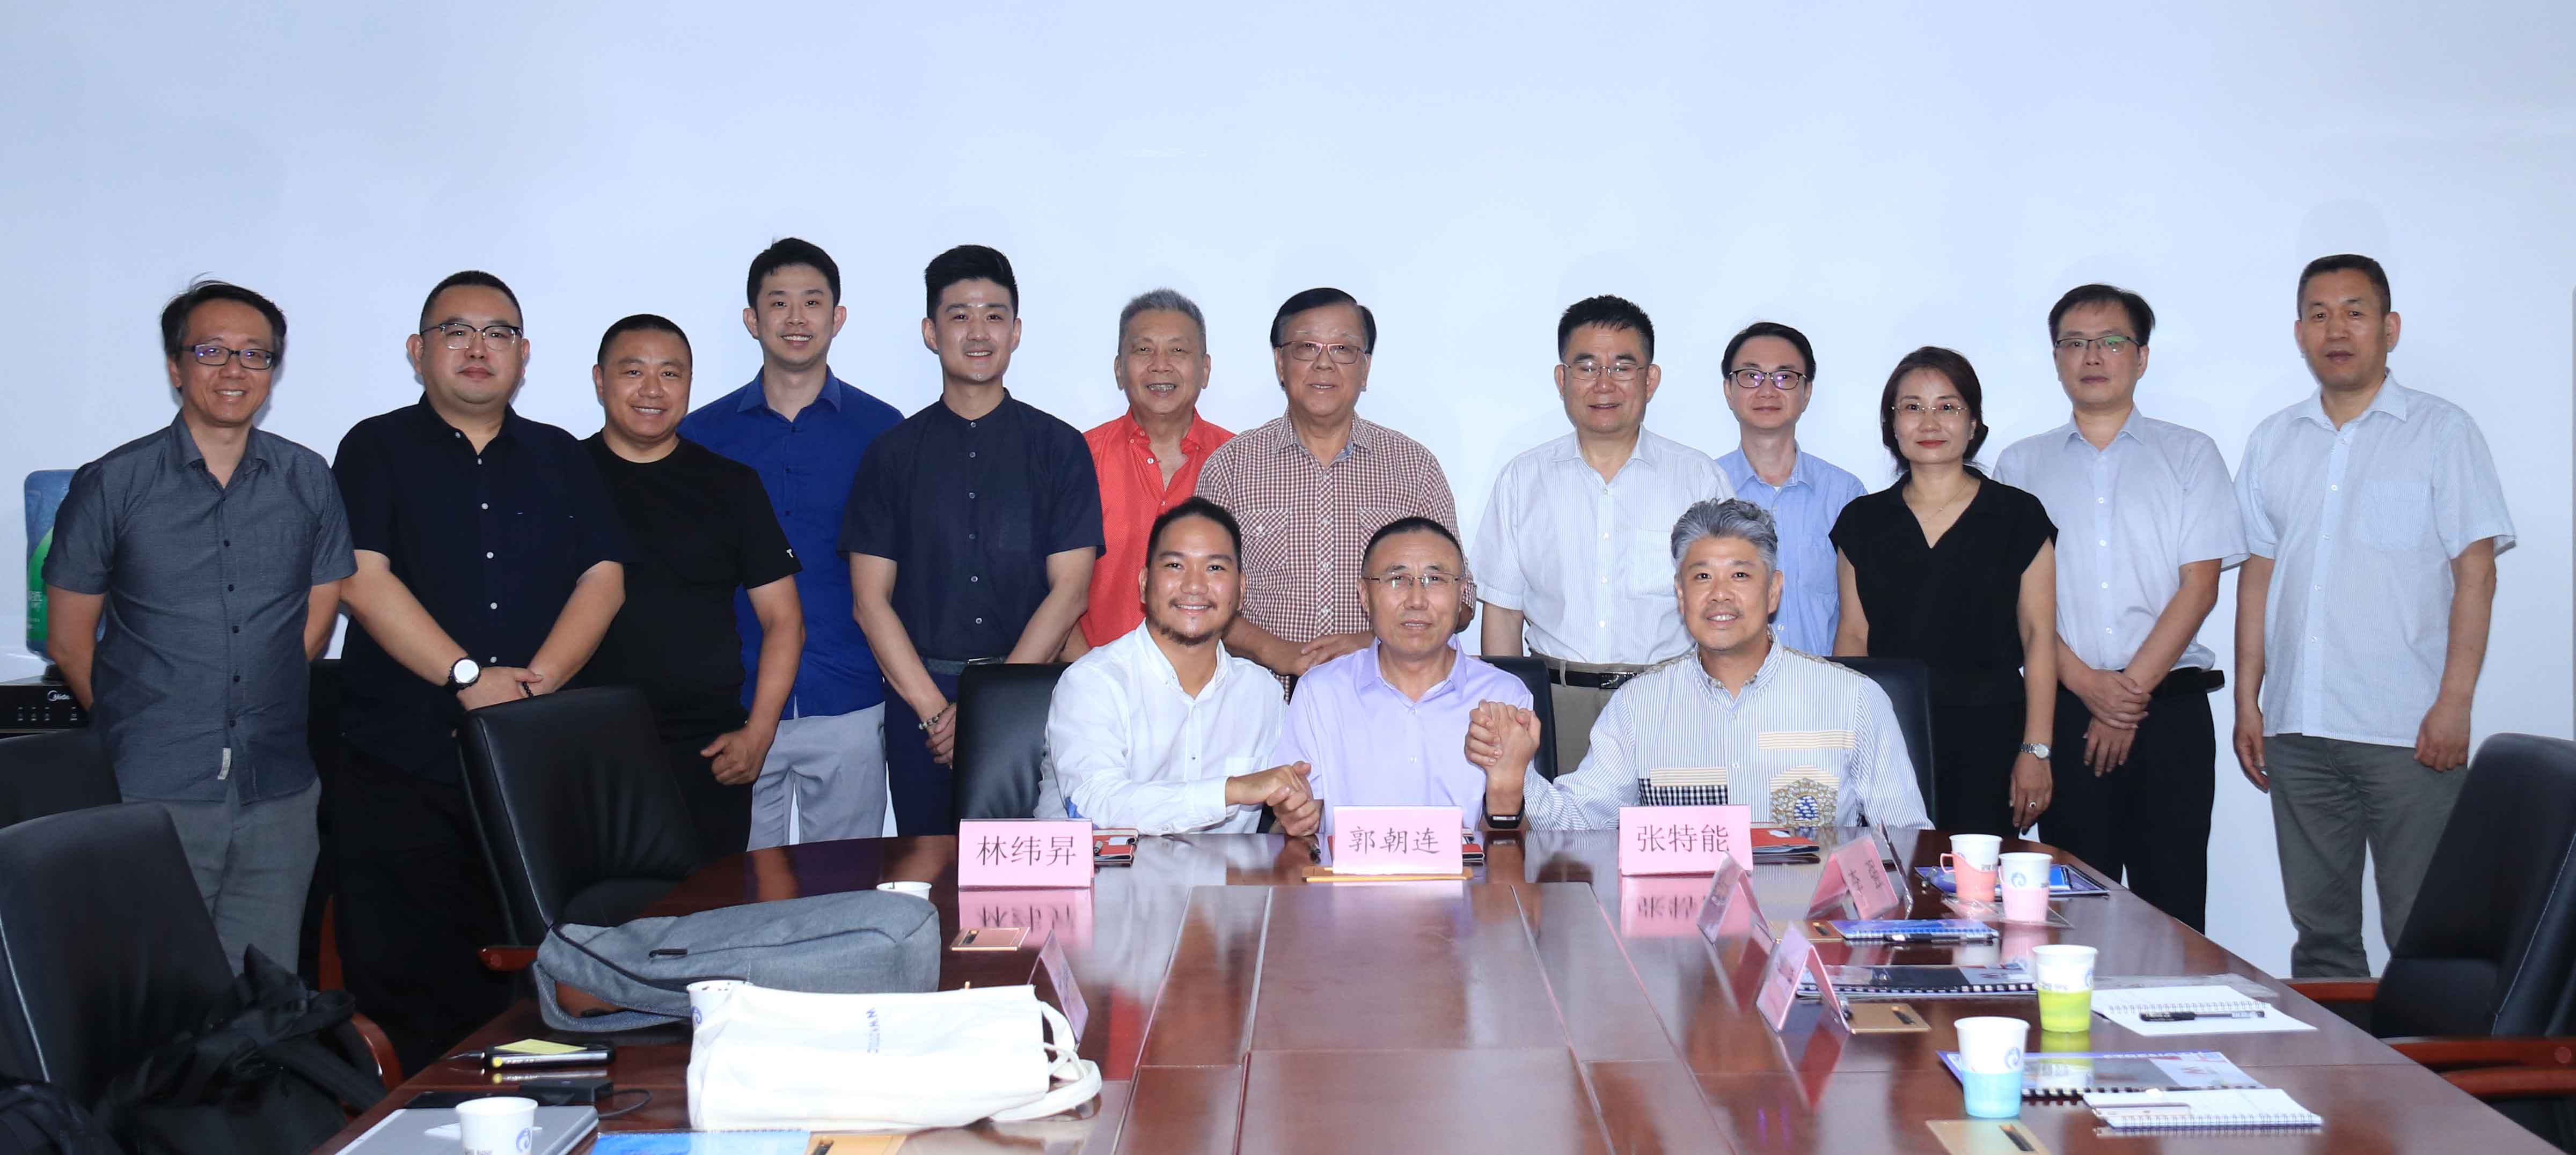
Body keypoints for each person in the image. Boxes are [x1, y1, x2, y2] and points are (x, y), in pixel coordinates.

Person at [332, 270, 629, 1071]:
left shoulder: (561, 455)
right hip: (404, 761)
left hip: (528, 771)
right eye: (455, 331)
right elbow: (361, 577)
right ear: (417, 350)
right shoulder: (375, 447)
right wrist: (467, 676)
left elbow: (604, 577)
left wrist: (540, 684)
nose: (477, 347)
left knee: (536, 983)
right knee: (408, 982)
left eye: (498, 333)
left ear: (523, 355)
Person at [42, 280, 353, 973]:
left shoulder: (308, 478)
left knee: (264, 998)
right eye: (212, 351)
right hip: (150, 792)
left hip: (278, 789)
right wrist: (145, 725)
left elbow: (317, 617)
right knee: (155, 996)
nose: (234, 369)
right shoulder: (113, 482)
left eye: (255, 354)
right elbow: (68, 638)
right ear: (176, 366)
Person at [2234, 254, 2512, 977]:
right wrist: (2248, 700)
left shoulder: (2442, 432)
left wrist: (2455, 703)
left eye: (2355, 312)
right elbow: (2259, 575)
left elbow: (2476, 573)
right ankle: (2340, 1058)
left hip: (2408, 732)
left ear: (2389, 328)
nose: (2337, 329)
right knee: (2321, 935)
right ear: (2300, 332)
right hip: (2298, 729)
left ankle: (2439, 1057)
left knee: (2425, 931)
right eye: (2320, 314)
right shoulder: (2273, 440)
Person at [1994, 285, 2244, 932]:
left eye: (2111, 341)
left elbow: (2200, 587)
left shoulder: (2191, 454)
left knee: (2175, 909)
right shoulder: (2020, 465)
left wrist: (2127, 695)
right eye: (2074, 343)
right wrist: (2090, 687)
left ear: (2142, 356)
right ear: (2056, 358)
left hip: (2171, 710)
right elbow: (2016, 604)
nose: (2092, 356)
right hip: (2065, 710)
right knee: (2072, 914)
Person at [1467, 499, 1929, 832]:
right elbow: (1580, 822)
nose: (1720, 594)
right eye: (1702, 576)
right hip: (1680, 933)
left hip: (1808, 927)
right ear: (1681, 594)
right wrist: (1515, 775)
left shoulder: (1853, 700)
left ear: (1773, 591)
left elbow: (1906, 841)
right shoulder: (1639, 705)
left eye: (1740, 575)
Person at [845, 245, 1102, 835]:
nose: (978, 331)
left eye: (994, 315)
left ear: (1016, 331)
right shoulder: (891, 454)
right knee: (927, 869)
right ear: (931, 332)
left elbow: (1070, 592)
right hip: (920, 703)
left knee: (1030, 870)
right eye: (959, 315)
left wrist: (990, 710)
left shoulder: (1060, 448)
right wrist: (938, 715)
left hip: (1030, 693)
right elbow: (869, 600)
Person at [682, 239, 905, 849]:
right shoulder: (701, 435)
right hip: (737, 701)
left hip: (851, 695)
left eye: (813, 302)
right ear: (752, 319)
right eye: (779, 303)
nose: (797, 318)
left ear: (838, 317)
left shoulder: (883, 431)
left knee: (847, 887)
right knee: (739, 891)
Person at [1473, 295, 1729, 774]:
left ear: (1650, 380)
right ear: (1562, 379)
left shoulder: (1698, 478)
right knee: (1553, 825)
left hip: (1670, 703)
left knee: (1670, 824)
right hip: (1552, 705)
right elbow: (1503, 616)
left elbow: (1725, 606)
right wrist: (1507, 718)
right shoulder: (1522, 480)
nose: (1604, 383)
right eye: (1588, 366)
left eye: (1623, 367)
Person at [583, 314, 803, 861]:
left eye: (670, 373)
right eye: (633, 371)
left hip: (708, 752)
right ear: (600, 380)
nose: (652, 389)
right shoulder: (561, 476)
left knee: (709, 909)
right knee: (594, 911)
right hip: (581, 748)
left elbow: (784, 620)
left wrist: (759, 734)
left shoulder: (731, 485)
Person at [1831, 347, 2058, 836]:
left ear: (1973, 423)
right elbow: (1853, 636)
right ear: (1892, 424)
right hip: (1891, 737)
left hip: (1992, 736)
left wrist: (2036, 749)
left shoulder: (2018, 515)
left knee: (1979, 877)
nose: (1929, 422)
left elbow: (2040, 636)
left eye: (1948, 406)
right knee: (1895, 872)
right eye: (1912, 407)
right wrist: (1844, 746)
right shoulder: (1862, 521)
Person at [1196, 288, 1470, 679]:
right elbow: (1200, 596)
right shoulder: (1230, 468)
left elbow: (1461, 599)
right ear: (1280, 363)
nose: (1324, 364)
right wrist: (1274, 651)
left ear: (1365, 367)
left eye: (1343, 349)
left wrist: (1376, 643)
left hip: (1384, 695)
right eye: (1307, 347)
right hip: (1260, 696)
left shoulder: (1414, 468)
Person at [1042, 497, 1320, 835]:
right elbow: (1095, 806)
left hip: (1222, 872)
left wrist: (1294, 818)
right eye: (1175, 566)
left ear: (1241, 591)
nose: (1194, 586)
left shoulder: (1262, 693)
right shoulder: (1092, 682)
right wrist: (1232, 790)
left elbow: (1285, 816)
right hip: (1102, 871)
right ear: (1144, 584)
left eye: (1215, 568)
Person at [1274, 518, 1528, 826]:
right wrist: (1296, 818)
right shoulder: (1320, 692)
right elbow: (1297, 827)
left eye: (1435, 579)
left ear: (1461, 593)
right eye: (1397, 579)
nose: (1417, 600)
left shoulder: (1504, 696)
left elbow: (1515, 844)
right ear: (1364, 595)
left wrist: (1506, 793)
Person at [1067, 289, 1234, 657]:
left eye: (1178, 350)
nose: (1161, 365)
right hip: (1096, 678)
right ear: (1119, 369)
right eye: (1144, 350)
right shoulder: (1077, 459)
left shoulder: (1242, 462)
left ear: (1205, 370)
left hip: (1214, 685)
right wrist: (1094, 675)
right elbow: (1052, 591)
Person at [1714, 322, 1867, 654]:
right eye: (1751, 376)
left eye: (1784, 377)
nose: (1767, 390)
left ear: (1807, 392)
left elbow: (1859, 621)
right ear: (1729, 390)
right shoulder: (1705, 487)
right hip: (1724, 683)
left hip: (1824, 682)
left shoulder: (1845, 495)